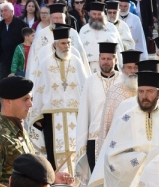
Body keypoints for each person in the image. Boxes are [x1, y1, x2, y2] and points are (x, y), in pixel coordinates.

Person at [26, 27, 89, 175]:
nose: (67, 46)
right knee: (53, 153)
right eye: (63, 43)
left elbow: (85, 88)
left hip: (76, 115)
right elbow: (40, 90)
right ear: (55, 45)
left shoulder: (77, 62)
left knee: (77, 151)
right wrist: (38, 116)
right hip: (51, 117)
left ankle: (78, 185)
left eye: (68, 43)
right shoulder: (46, 63)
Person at [75, 41, 119, 174]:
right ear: (99, 59)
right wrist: (83, 140)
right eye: (103, 58)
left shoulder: (122, 80)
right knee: (95, 177)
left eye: (109, 59)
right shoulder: (90, 81)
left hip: (117, 137)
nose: (106, 62)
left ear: (115, 60)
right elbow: (84, 112)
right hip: (94, 139)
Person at [99, 49, 141, 142]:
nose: (133, 71)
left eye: (136, 68)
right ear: (123, 70)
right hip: (120, 141)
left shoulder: (146, 90)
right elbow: (106, 123)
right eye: (129, 68)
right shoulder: (114, 92)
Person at [79, 1, 122, 74]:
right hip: (89, 66)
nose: (96, 17)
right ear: (90, 14)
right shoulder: (84, 30)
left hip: (109, 65)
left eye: (99, 14)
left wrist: (121, 65)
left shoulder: (111, 28)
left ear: (103, 15)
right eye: (94, 14)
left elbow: (119, 47)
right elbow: (79, 50)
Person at [0, 2, 27, 80]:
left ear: (12, 11)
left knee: (17, 83)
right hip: (4, 59)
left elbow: (27, 41)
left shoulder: (22, 25)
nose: (3, 13)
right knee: (4, 83)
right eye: (2, 11)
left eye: (5, 10)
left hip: (19, 59)